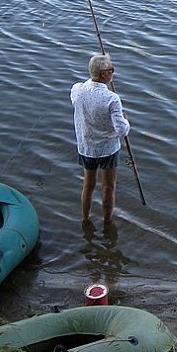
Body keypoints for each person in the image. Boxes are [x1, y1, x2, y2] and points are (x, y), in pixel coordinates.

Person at [71, 53, 130, 224]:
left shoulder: (77, 90)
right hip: (108, 149)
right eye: (111, 69)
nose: (113, 73)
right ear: (104, 74)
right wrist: (126, 122)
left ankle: (85, 218)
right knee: (108, 188)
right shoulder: (112, 99)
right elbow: (121, 130)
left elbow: (77, 100)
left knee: (88, 186)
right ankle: (108, 222)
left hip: (86, 147)